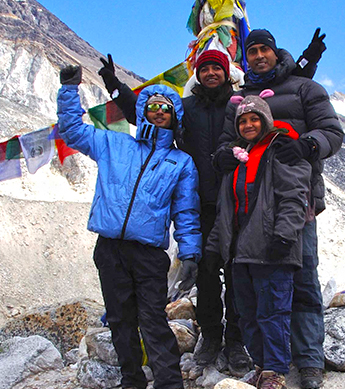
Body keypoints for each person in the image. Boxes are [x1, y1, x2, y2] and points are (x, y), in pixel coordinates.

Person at [98, 53, 255, 372]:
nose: (211, 72)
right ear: (197, 74)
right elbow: (146, 114)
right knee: (207, 275)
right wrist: (115, 85)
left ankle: (236, 341)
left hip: (238, 202)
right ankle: (211, 336)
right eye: (205, 68)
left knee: (239, 275)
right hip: (199, 206)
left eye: (217, 68)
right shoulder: (187, 108)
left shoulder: (240, 105)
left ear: (227, 74)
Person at [55, 64, 201, 389]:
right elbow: (72, 131)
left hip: (149, 254)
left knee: (152, 322)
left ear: (174, 115)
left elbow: (187, 211)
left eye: (166, 108)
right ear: (143, 111)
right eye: (152, 106)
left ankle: (168, 384)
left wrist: (190, 253)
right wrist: (68, 90)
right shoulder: (113, 144)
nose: (158, 112)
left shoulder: (181, 162)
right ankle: (131, 381)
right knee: (120, 320)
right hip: (110, 249)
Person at [215, 28, 343, 389]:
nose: (258, 56)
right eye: (252, 51)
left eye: (264, 50)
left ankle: (309, 362)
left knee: (301, 280)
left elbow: (331, 131)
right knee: (253, 292)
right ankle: (272, 364)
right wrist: (223, 155)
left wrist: (307, 147)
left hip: (294, 204)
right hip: (246, 211)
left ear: (274, 52)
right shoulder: (238, 99)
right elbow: (227, 144)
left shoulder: (305, 89)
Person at [206, 91, 311, 389]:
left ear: (266, 120)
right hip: (240, 253)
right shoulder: (238, 158)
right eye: (244, 121)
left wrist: (284, 236)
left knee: (273, 313)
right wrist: (216, 247)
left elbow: (294, 198)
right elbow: (226, 209)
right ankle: (262, 366)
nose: (249, 125)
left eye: (255, 119)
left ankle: (276, 371)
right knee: (247, 316)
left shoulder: (282, 150)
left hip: (272, 250)